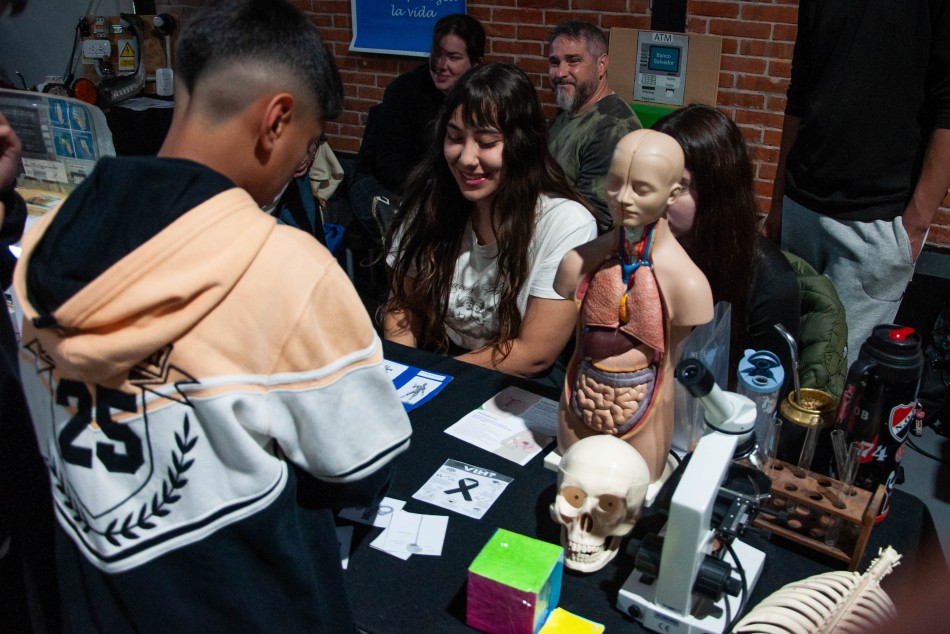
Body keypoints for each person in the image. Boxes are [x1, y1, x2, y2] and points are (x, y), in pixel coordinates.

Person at [12, 1, 412, 631]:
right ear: (276, 121)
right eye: (306, 149)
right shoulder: (286, 267)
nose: (298, 171)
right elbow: (360, 464)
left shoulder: (51, 234)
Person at [382, 63, 598, 383]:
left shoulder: (566, 223)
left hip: (516, 383)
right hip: (441, 362)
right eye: (455, 137)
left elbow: (534, 353)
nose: (467, 158)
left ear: (522, 144)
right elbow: (402, 307)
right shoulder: (432, 202)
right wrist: (403, 376)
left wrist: (437, 380)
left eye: (486, 142)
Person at [762, 0, 950, 366]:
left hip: (878, 224)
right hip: (802, 206)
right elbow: (799, 91)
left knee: (839, 378)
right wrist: (779, 202)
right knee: (783, 364)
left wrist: (915, 225)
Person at [554, 129, 713, 483]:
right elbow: (567, 281)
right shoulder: (580, 261)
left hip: (646, 408)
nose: (622, 198)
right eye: (614, 183)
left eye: (641, 189)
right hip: (581, 397)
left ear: (673, 194)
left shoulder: (687, 283)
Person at [653, 104, 801, 394]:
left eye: (678, 186)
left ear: (718, 191)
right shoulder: (639, 250)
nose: (658, 198)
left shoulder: (769, 280)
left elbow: (768, 400)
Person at [348, 13, 486, 244]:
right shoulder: (405, 90)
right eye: (438, 54)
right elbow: (390, 167)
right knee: (414, 232)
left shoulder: (477, 97)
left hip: (437, 184)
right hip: (380, 182)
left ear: (475, 64)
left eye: (453, 57)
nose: (441, 65)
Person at [547, 21, 642, 234]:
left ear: (602, 64)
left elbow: (593, 221)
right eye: (554, 62)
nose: (561, 72)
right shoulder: (568, 111)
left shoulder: (612, 128)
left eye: (573, 61)